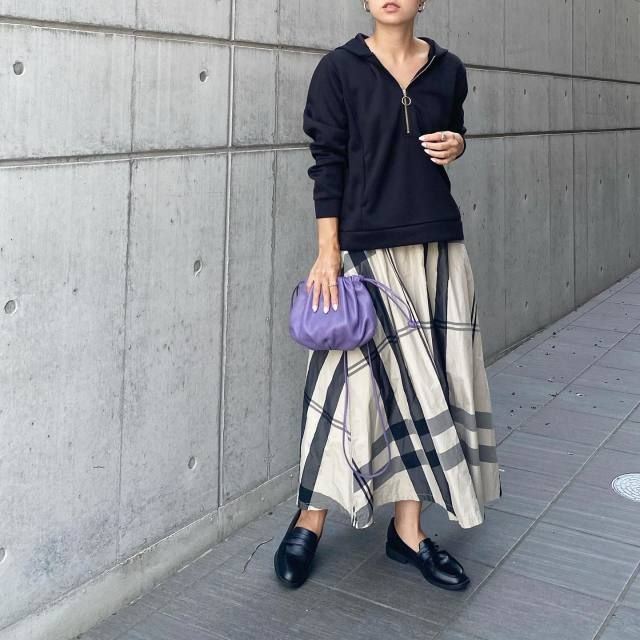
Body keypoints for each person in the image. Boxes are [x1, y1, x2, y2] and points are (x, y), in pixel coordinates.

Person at [274, 0, 502, 591]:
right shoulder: (338, 69)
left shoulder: (448, 69)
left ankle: (408, 530)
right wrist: (328, 252)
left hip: (437, 249)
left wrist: (458, 145)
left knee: (430, 387)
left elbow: (451, 134)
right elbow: (327, 163)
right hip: (363, 253)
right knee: (345, 389)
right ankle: (311, 515)